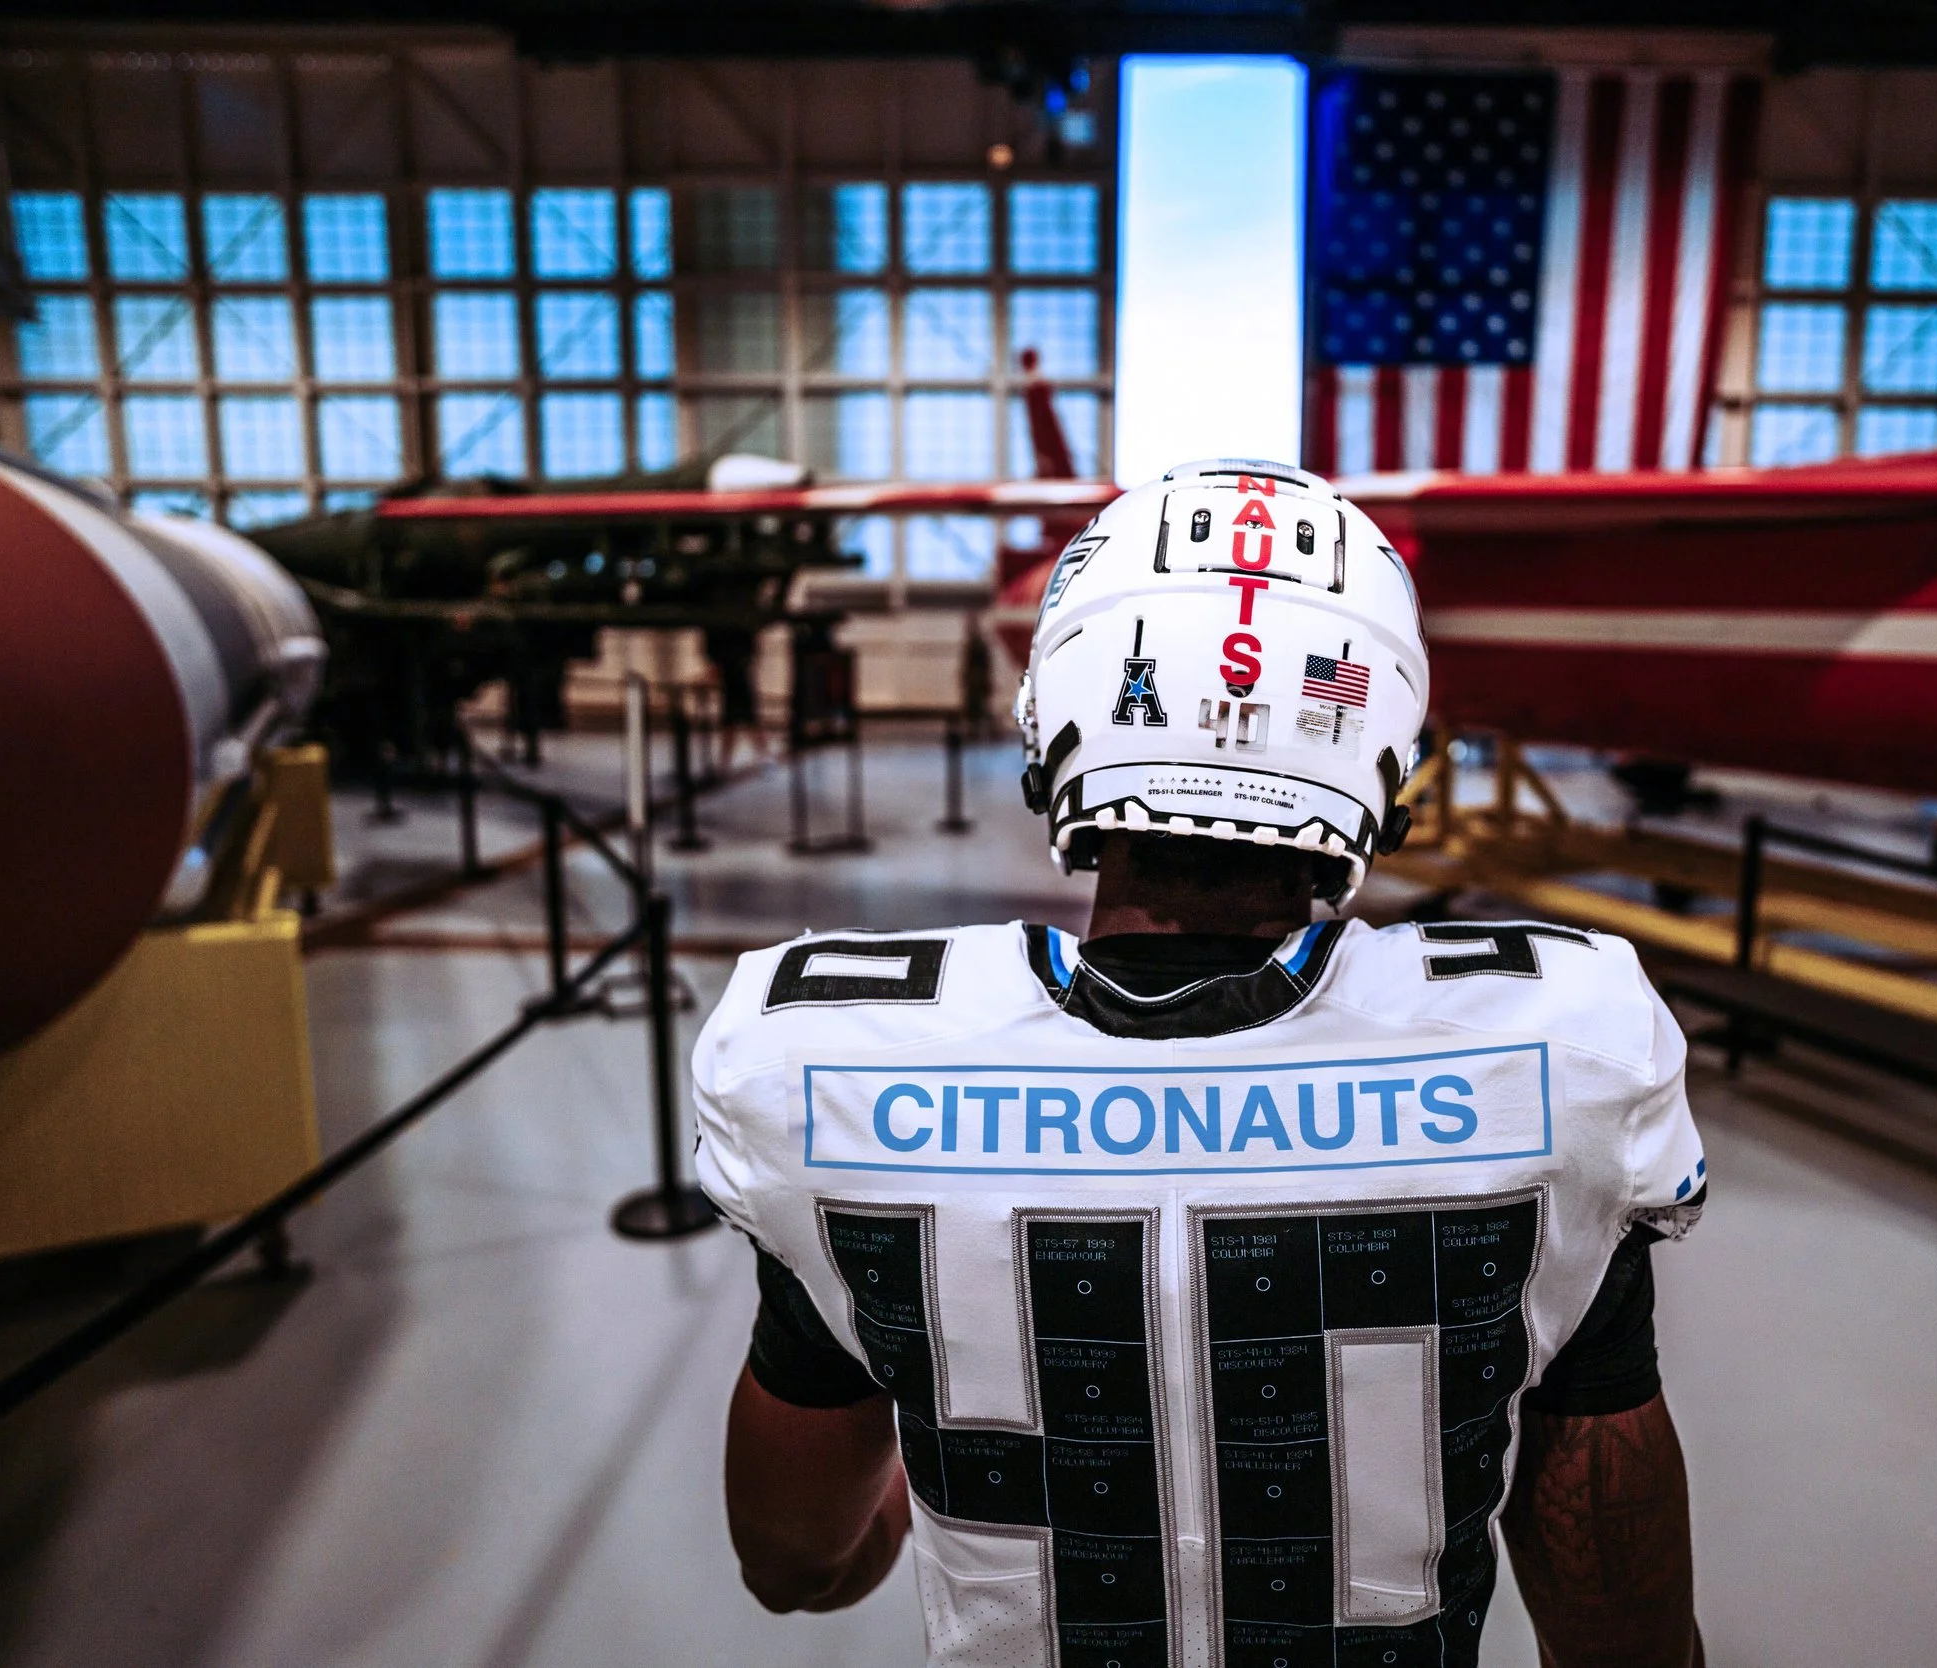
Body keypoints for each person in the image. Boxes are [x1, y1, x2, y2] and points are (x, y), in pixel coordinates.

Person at [692, 459, 1708, 1668]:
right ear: (1384, 740)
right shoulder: (1563, 1048)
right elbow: (1622, 1633)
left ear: (1055, 722)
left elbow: (793, 1563)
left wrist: (916, 1480)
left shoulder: (821, 1072)